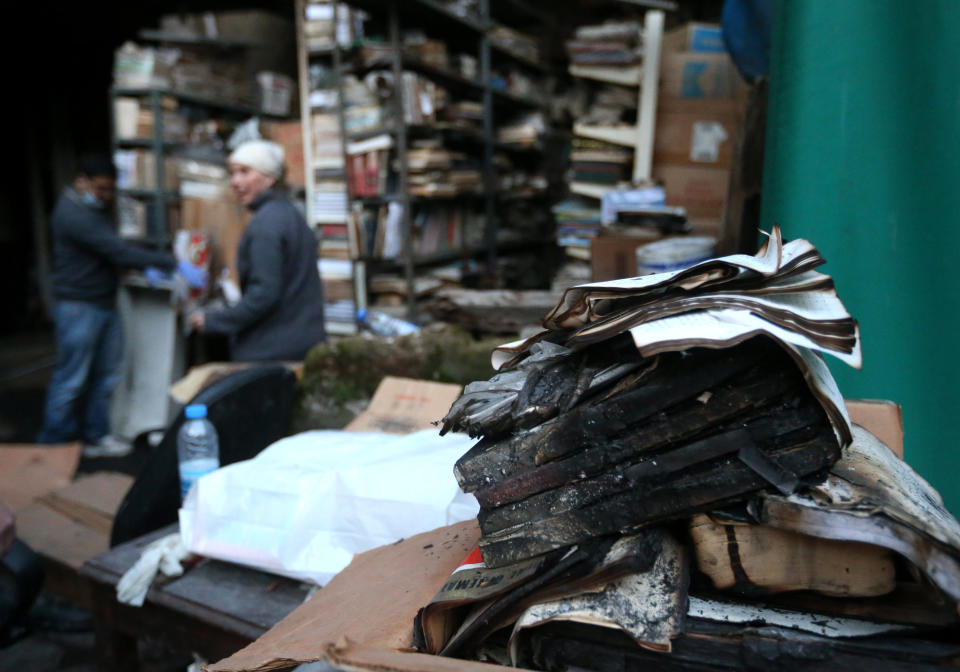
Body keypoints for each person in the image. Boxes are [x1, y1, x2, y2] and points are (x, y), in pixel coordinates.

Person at [38, 155, 184, 457]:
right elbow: (114, 249)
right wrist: (170, 263)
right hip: (78, 305)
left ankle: (95, 436)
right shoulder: (72, 214)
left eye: (109, 191)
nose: (105, 197)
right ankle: (54, 445)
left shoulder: (95, 211)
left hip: (102, 301)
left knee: (106, 375)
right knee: (72, 379)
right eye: (100, 189)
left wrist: (144, 266)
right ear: (81, 181)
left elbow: (109, 251)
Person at [189, 140, 327, 361]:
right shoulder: (292, 215)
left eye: (245, 172)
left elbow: (264, 294)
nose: (235, 182)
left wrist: (213, 321)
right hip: (302, 343)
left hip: (271, 350)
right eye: (233, 173)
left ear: (269, 178)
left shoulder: (265, 225)